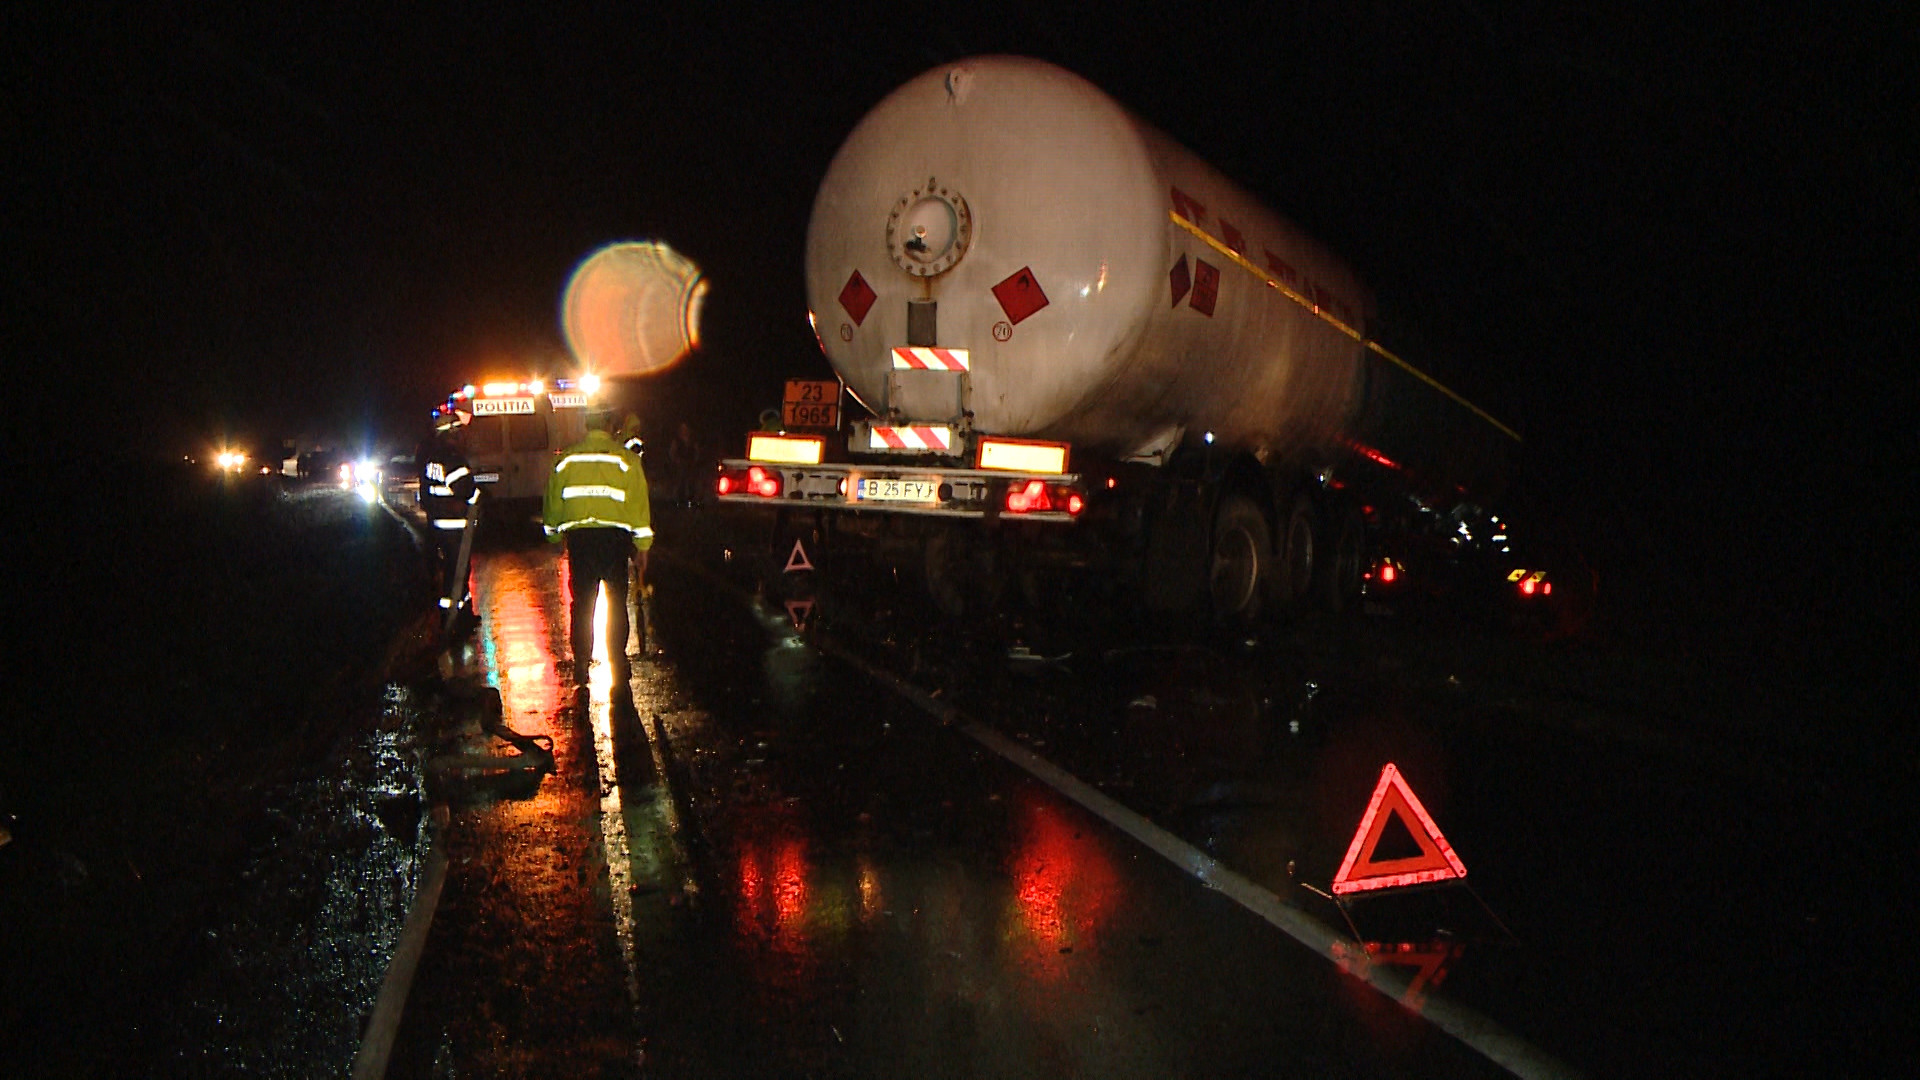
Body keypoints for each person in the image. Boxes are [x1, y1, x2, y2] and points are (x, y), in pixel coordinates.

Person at [544, 408, 652, 695]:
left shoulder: (565, 460)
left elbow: (553, 504)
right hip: (615, 542)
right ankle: (618, 662)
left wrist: (554, 535)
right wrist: (642, 547)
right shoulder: (626, 460)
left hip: (581, 542)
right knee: (617, 604)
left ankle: (581, 664)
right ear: (609, 425)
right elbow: (639, 506)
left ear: (586, 424)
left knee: (583, 605)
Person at [417, 429, 478, 619]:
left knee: (451, 569)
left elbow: (425, 493)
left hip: (438, 524)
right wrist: (479, 497)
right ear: (452, 436)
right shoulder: (453, 460)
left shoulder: (432, 460)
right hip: (455, 525)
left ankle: (458, 613)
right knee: (458, 570)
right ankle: (455, 619)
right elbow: (465, 490)